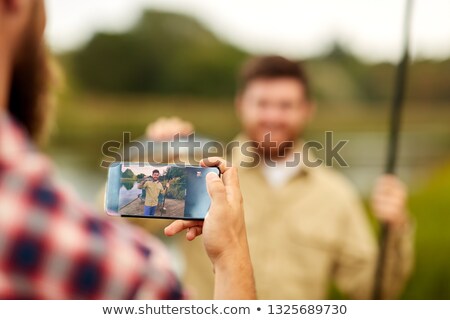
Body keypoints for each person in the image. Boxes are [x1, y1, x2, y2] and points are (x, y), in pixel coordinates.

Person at [0, 0, 255, 300]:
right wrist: (230, 253)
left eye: (285, 105)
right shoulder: (131, 274)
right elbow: (106, 213)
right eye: (263, 103)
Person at [145, 56, 414, 299]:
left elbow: (373, 292)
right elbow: (118, 223)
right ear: (241, 105)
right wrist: (151, 155)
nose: (272, 116)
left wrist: (395, 230)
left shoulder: (337, 194)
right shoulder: (198, 174)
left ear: (307, 109)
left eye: (285, 105)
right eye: (262, 104)